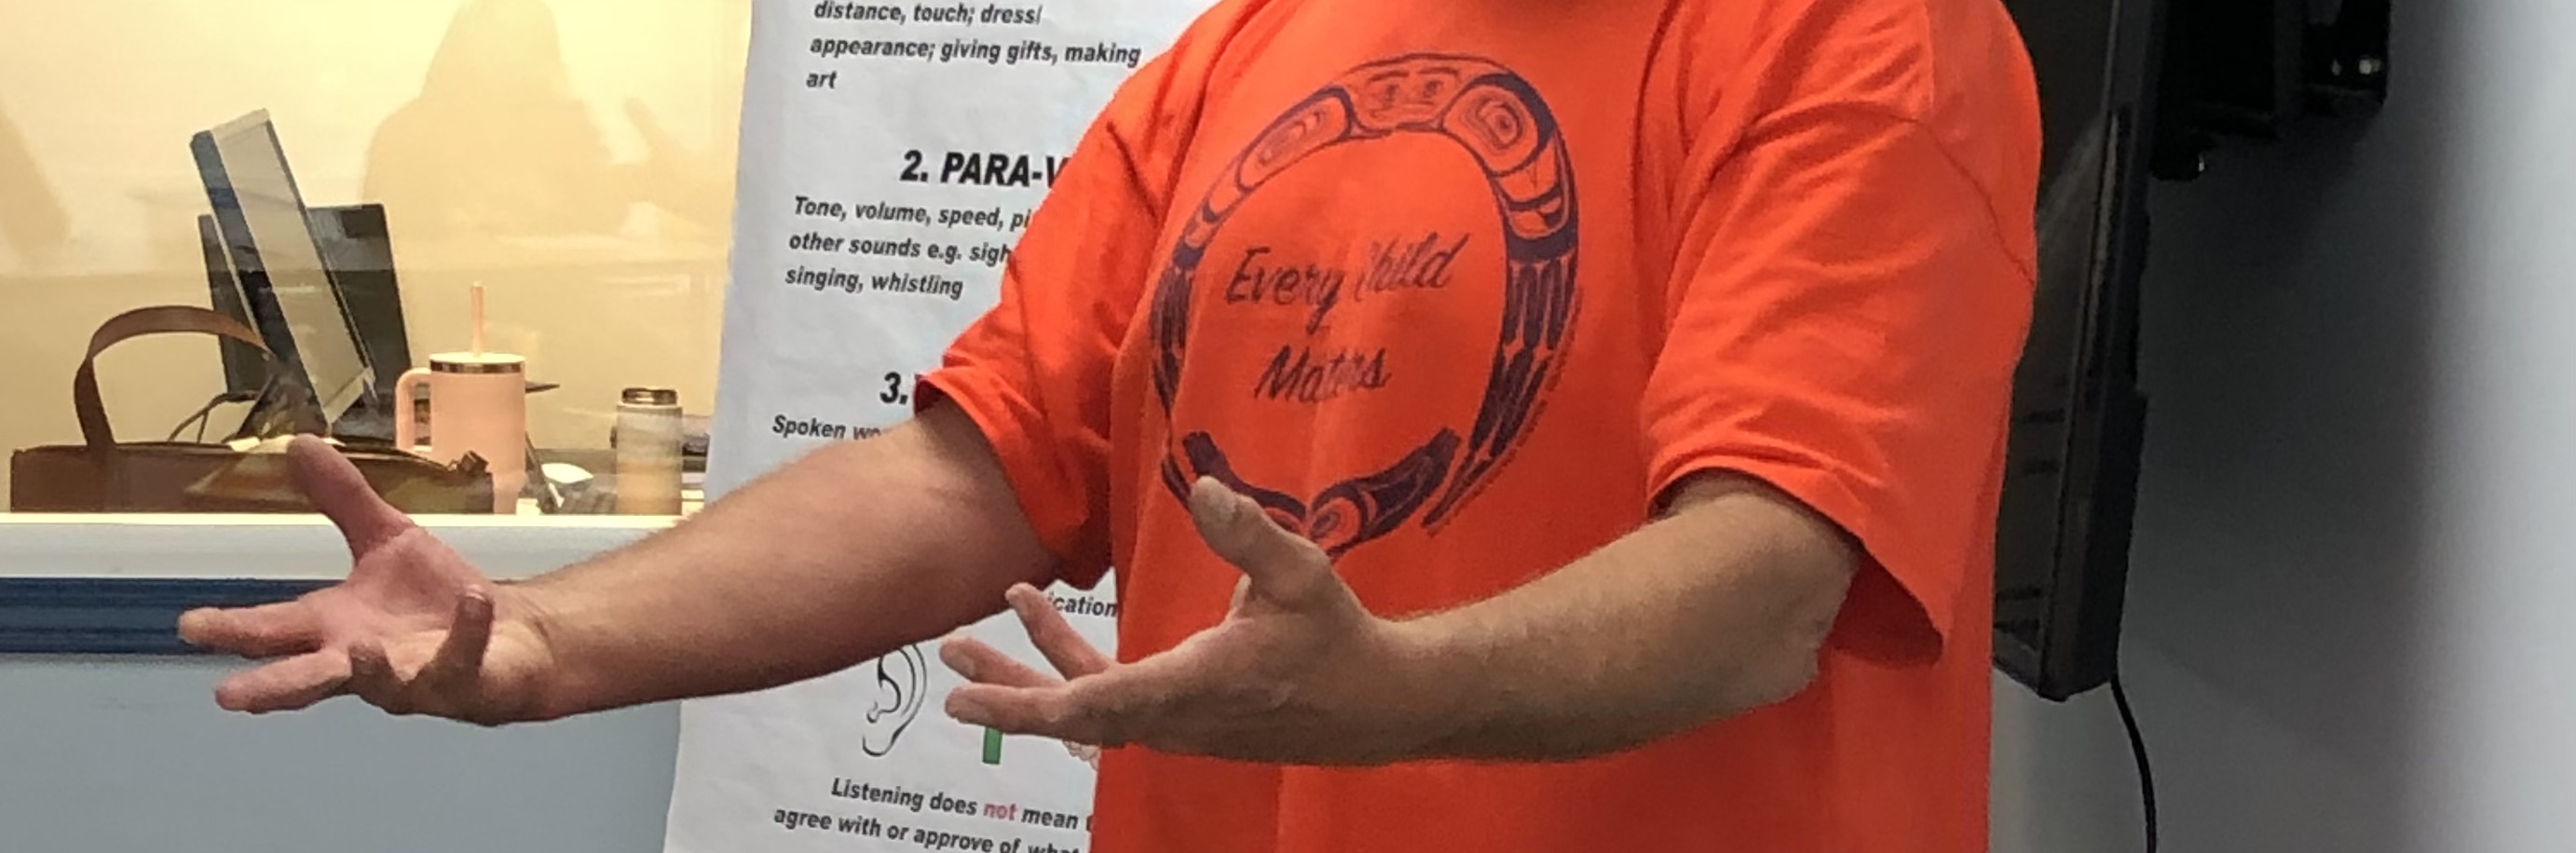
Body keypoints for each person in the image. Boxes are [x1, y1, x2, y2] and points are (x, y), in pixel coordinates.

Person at [181, 0, 2041, 850]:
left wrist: (1399, 688)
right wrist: (542, 638)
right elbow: (971, 472)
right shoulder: (1248, 52)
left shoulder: (1865, 36)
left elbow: (1765, 578)